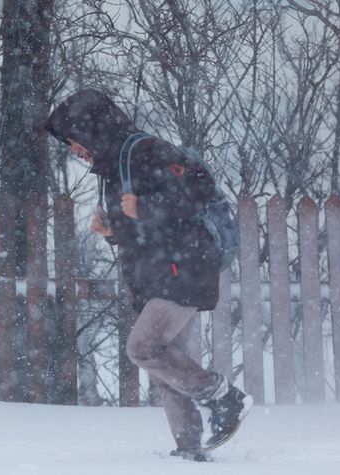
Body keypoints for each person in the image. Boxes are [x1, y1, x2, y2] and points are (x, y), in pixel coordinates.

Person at [44, 89, 252, 462]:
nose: (75, 151)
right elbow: (145, 231)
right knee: (167, 362)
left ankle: (225, 398)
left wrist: (143, 208)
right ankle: (190, 448)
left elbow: (198, 190)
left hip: (184, 268)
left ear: (93, 132)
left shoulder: (146, 151)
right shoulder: (115, 167)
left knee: (143, 348)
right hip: (159, 272)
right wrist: (115, 231)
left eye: (76, 142)